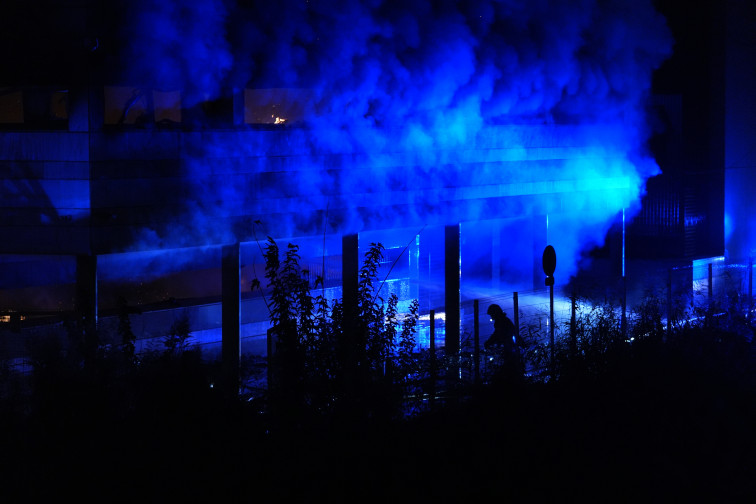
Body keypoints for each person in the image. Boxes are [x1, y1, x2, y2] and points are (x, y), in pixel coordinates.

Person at [485, 303, 522, 377]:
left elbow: (497, 334)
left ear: (495, 313)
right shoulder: (503, 320)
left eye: (491, 314)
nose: (491, 316)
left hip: (509, 347)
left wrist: (489, 342)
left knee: (509, 367)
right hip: (509, 346)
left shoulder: (501, 322)